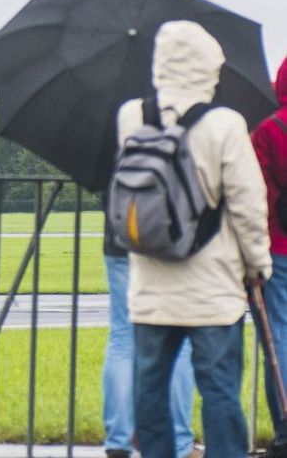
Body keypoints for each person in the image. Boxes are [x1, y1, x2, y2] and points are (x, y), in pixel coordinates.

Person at [116, 21, 271, 458]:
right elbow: (246, 203)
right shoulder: (224, 123)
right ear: (208, 67)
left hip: (150, 283)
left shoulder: (132, 116)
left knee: (151, 390)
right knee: (219, 389)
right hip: (212, 286)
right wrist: (257, 264)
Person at [102, 194, 198, 458]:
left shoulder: (113, 150)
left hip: (121, 233)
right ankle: (179, 442)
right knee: (180, 338)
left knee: (122, 338)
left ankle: (118, 439)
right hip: (173, 235)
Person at [251, 56, 287, 457]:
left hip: (277, 246)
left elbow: (255, 194)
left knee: (278, 335)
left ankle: (285, 425)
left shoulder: (267, 130)